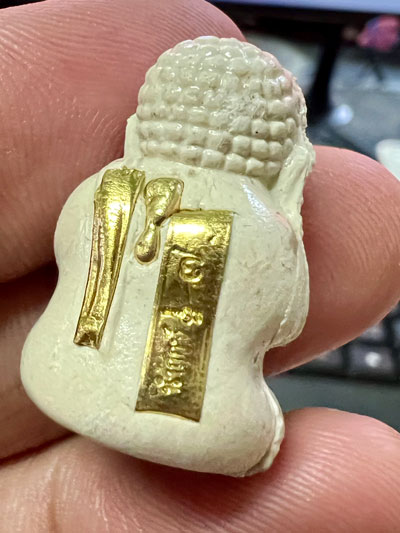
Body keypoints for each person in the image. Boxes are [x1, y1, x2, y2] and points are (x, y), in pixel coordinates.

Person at [0, 0, 399, 531]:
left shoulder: (97, 190)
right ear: (283, 155)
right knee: (245, 433)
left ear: (138, 130)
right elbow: (284, 325)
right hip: (199, 420)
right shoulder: (261, 225)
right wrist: (286, 203)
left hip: (51, 375)